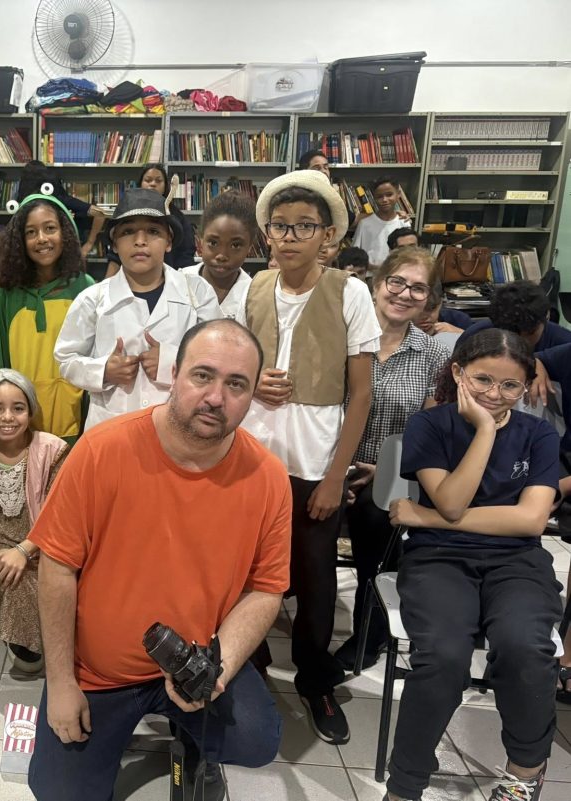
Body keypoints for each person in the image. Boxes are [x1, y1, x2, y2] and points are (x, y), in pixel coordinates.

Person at [27, 319, 290, 801]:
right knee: (58, 792)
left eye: (236, 385)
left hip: (196, 658)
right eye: (202, 376)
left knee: (256, 740)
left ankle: (193, 746)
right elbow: (57, 567)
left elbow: (266, 589)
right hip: (100, 671)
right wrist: (61, 682)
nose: (216, 397)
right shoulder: (102, 449)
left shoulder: (269, 477)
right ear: (174, 373)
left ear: (254, 394)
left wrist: (219, 670)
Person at [383, 327, 562, 801]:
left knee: (525, 647)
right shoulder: (432, 425)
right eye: (483, 380)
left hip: (517, 564)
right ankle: (405, 786)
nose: (495, 395)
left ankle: (523, 773)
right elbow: (456, 501)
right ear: (458, 373)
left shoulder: (539, 434)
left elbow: (529, 521)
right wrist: (484, 430)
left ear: (525, 387)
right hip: (438, 560)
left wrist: (425, 515)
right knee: (442, 656)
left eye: (510, 386)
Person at [243, 169, 381, 744]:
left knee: (316, 580)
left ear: (326, 234)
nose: (291, 236)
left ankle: (315, 680)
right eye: (281, 226)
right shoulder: (251, 287)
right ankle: (244, 668)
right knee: (242, 573)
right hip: (250, 461)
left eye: (305, 226)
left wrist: (334, 478)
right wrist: (252, 384)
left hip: (313, 465)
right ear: (267, 234)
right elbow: (230, 364)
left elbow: (362, 393)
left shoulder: (349, 292)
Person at [337, 247, 450, 670]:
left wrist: (381, 469)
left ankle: (371, 630)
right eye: (397, 282)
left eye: (418, 288)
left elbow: (429, 432)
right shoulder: (344, 338)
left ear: (429, 298)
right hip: (335, 461)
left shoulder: (434, 355)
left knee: (378, 510)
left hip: (397, 469)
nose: (405, 294)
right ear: (377, 284)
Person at [55, 187, 220, 430]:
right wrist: (103, 370)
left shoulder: (197, 292)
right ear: (114, 243)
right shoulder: (93, 298)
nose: (140, 241)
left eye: (153, 231)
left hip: (176, 428)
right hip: (111, 427)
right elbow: (65, 359)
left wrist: (169, 361)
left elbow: (216, 357)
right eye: (128, 232)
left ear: (169, 242)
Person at [0, 369, 68, 673]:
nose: (8, 417)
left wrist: (25, 550)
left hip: (47, 540)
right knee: (11, 577)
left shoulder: (52, 449)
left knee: (52, 578)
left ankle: (46, 640)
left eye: (18, 408)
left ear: (30, 411)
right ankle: (30, 647)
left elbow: (63, 511)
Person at [0, 192, 94, 442]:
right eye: (31, 232)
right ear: (19, 241)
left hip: (74, 418)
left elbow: (93, 357)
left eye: (50, 228)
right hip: (19, 422)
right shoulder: (8, 293)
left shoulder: (85, 287)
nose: (42, 239)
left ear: (65, 234)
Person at [183, 189, 256, 321]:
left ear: (249, 248)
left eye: (235, 245)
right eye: (213, 243)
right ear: (200, 241)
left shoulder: (253, 295)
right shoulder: (180, 281)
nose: (222, 255)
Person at [18, 160, 107, 261]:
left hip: (63, 258)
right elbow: (100, 213)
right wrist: (89, 243)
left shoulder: (25, 206)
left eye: (50, 228)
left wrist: (89, 244)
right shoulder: (26, 206)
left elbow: (100, 213)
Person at [460, 280, 571, 353]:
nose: (520, 341)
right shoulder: (474, 336)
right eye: (511, 333)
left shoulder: (565, 345)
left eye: (530, 333)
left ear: (547, 316)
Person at [138, 163, 195, 268]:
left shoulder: (177, 217)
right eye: (148, 180)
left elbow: (186, 253)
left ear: (166, 186)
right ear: (140, 184)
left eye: (158, 181)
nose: (153, 184)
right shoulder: (131, 213)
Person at [352, 176, 407, 268]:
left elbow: (408, 255)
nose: (384, 200)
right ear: (373, 198)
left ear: (398, 194)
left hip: (397, 274)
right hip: (370, 276)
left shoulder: (404, 223)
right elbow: (355, 254)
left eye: (389, 195)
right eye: (379, 196)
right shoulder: (365, 224)